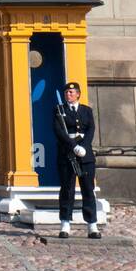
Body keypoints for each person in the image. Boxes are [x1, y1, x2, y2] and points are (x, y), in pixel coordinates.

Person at [54, 81, 100, 239]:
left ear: (78, 94)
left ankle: (92, 224)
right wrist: (73, 146)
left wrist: (84, 147)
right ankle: (65, 223)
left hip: (85, 155)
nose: (68, 94)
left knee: (88, 189)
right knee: (67, 190)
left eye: (71, 92)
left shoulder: (86, 110)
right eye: (66, 92)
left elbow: (91, 129)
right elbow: (59, 131)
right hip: (67, 154)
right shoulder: (59, 110)